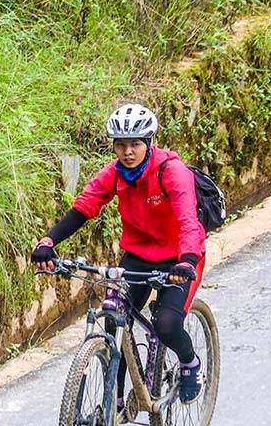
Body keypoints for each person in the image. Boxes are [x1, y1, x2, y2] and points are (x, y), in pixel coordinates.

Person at [31, 102, 206, 402]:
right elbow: (84, 207)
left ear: (149, 142)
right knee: (115, 317)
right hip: (137, 256)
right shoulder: (115, 172)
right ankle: (116, 399)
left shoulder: (171, 171)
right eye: (121, 145)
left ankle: (190, 363)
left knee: (166, 323)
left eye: (135, 144)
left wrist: (187, 261)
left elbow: (188, 221)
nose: (128, 152)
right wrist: (48, 241)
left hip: (179, 258)